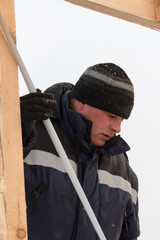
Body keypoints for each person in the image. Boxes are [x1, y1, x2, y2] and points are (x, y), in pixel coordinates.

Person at [20, 63, 140, 240]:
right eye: (112, 116)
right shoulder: (31, 132)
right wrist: (5, 126)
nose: (117, 128)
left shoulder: (123, 171)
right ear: (81, 102)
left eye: (122, 119)